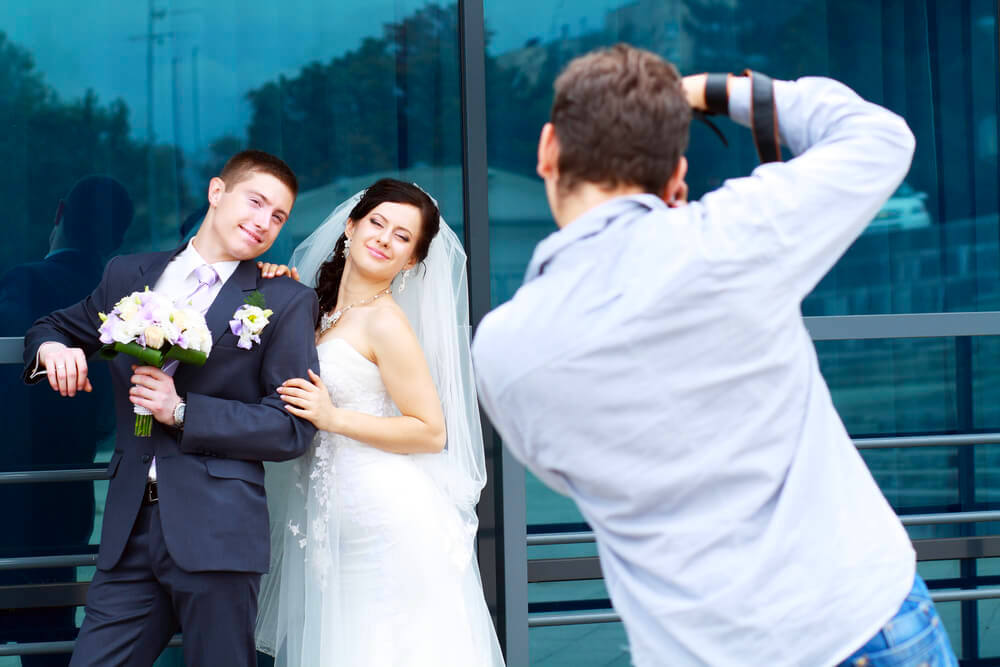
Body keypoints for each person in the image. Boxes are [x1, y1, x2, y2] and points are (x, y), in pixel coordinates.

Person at [471, 44, 956, 666]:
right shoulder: (730, 237)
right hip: (856, 620)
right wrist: (721, 92)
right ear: (677, 180)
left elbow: (562, 473)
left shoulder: (503, 348)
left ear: (547, 150)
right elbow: (879, 137)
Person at [21, 150, 320, 667]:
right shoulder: (127, 275)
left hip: (220, 532)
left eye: (278, 217)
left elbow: (292, 427)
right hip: (127, 533)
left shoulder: (284, 300)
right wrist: (52, 349)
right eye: (256, 202)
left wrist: (182, 411)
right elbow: (52, 326)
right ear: (216, 192)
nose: (264, 222)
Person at [254, 178, 504, 667]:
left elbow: (431, 431)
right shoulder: (320, 310)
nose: (384, 238)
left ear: (411, 260)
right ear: (351, 226)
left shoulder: (385, 323)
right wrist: (269, 288)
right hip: (333, 518)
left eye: (403, 237)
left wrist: (333, 417)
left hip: (385, 522)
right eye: (377, 223)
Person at [0, 175, 132, 667]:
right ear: (116, 240)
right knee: (50, 632)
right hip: (69, 490)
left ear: (58, 214)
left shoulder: (26, 281)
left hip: (11, 492)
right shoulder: (123, 296)